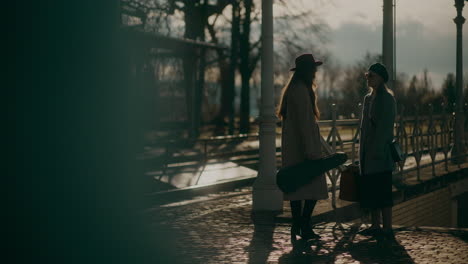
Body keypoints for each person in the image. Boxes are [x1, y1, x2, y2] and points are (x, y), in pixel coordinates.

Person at [277, 54, 328, 241]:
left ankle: (297, 225)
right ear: (307, 71)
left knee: (296, 189)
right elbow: (306, 123)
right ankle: (304, 225)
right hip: (303, 149)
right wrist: (312, 152)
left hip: (294, 148)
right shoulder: (301, 91)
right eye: (313, 68)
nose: (315, 72)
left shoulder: (294, 89)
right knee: (312, 188)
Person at [358, 63, 397, 240]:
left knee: (383, 191)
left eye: (371, 75)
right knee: (372, 190)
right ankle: (375, 225)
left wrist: (377, 150)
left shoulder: (387, 99)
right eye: (368, 75)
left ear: (381, 78)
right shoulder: (367, 99)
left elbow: (385, 128)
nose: (368, 78)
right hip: (367, 152)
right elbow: (364, 128)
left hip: (380, 153)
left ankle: (387, 227)